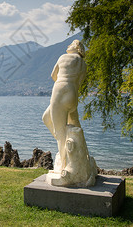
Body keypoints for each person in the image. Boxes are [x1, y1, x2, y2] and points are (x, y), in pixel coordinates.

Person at [42, 39, 87, 171]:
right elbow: (79, 82)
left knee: (59, 131)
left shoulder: (63, 57)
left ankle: (64, 165)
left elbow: (53, 75)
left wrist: (61, 82)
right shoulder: (83, 64)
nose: (68, 45)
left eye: (71, 44)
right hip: (72, 94)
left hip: (60, 90)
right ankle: (78, 149)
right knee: (48, 118)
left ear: (76, 47)